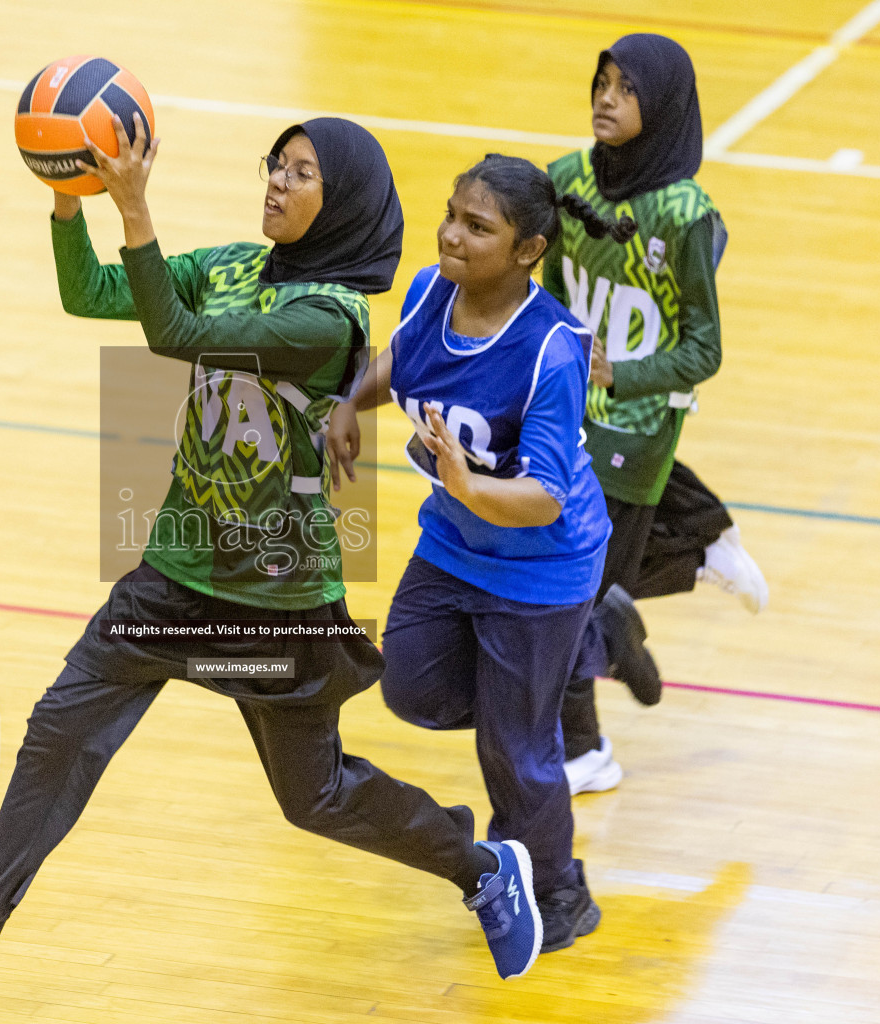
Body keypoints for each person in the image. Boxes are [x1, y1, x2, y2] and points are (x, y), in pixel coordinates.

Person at [0, 116, 550, 1010]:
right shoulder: (233, 264)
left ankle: (483, 867)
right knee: (61, 729)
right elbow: (94, 294)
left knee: (316, 799)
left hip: (270, 604)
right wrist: (72, 203)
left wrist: (137, 208)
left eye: (302, 175)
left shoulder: (329, 320)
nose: (276, 182)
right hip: (172, 576)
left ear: (340, 207)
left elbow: (176, 334)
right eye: (276, 164)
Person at [328, 153, 628, 955]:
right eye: (451, 216)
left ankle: (562, 891)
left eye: (477, 227)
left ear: (527, 250)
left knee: (516, 748)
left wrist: (465, 486)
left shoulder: (550, 351)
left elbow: (543, 498)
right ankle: (584, 650)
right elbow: (401, 366)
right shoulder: (432, 292)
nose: (451, 236)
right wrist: (347, 401)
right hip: (455, 549)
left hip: (542, 567)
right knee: (410, 687)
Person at [548, 33, 770, 795]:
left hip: (638, 425)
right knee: (562, 591)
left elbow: (703, 349)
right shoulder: (565, 178)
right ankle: (692, 558)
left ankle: (584, 751)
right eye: (601, 81)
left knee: (567, 599)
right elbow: (544, 292)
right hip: (560, 415)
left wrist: (624, 371)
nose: (606, 97)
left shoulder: (684, 213)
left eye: (627, 89)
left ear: (665, 106)